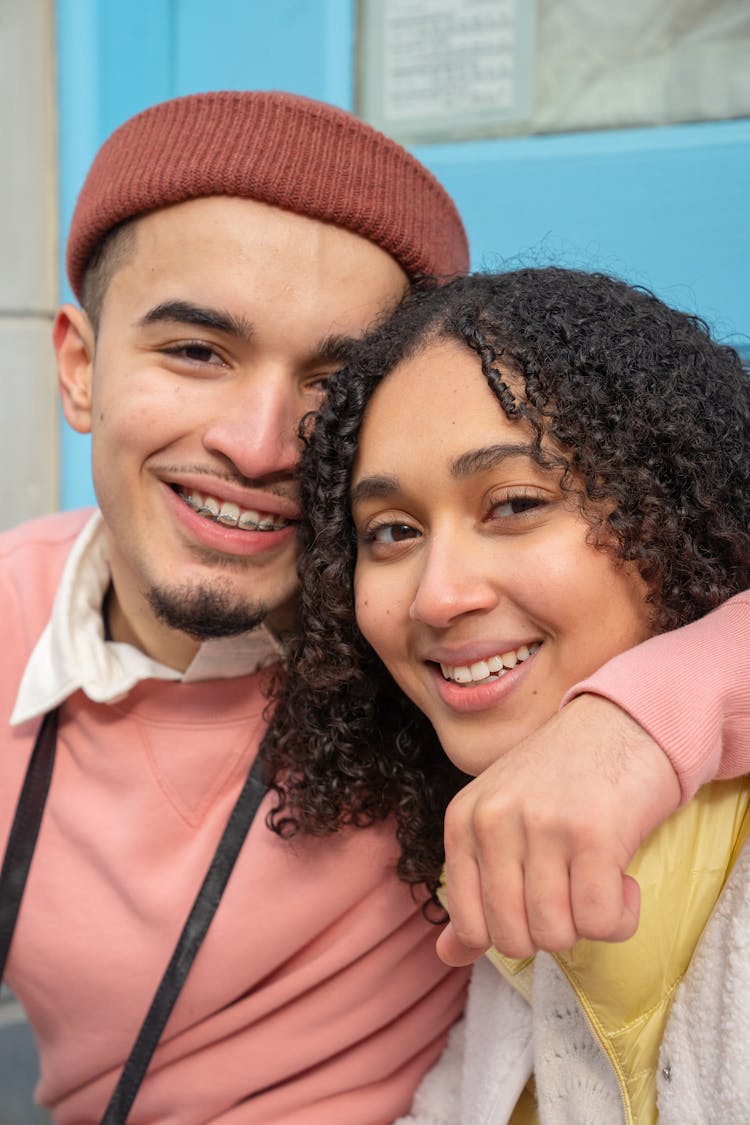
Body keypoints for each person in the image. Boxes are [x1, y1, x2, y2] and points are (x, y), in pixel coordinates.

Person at [0, 90, 471, 1123]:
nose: (261, 445)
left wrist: (629, 734)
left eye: (333, 391)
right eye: (197, 352)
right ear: (81, 369)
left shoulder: (456, 630)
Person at [268, 267, 750, 1122]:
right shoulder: (491, 874)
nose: (436, 595)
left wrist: (644, 715)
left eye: (515, 503)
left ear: (674, 506)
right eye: (392, 531)